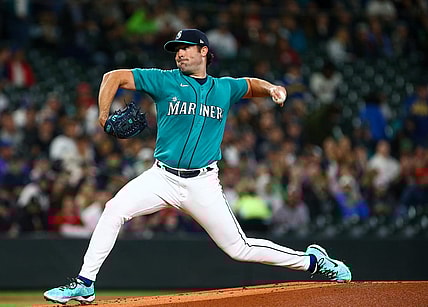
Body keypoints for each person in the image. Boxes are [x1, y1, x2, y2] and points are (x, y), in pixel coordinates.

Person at [43, 29, 351, 305]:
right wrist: (103, 114)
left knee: (239, 248)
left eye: (185, 47)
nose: (179, 53)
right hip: (161, 177)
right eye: (176, 49)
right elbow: (113, 76)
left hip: (202, 184)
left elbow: (249, 85)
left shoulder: (223, 88)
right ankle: (84, 284)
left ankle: (313, 262)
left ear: (204, 51)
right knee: (113, 209)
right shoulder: (164, 80)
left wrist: (272, 89)